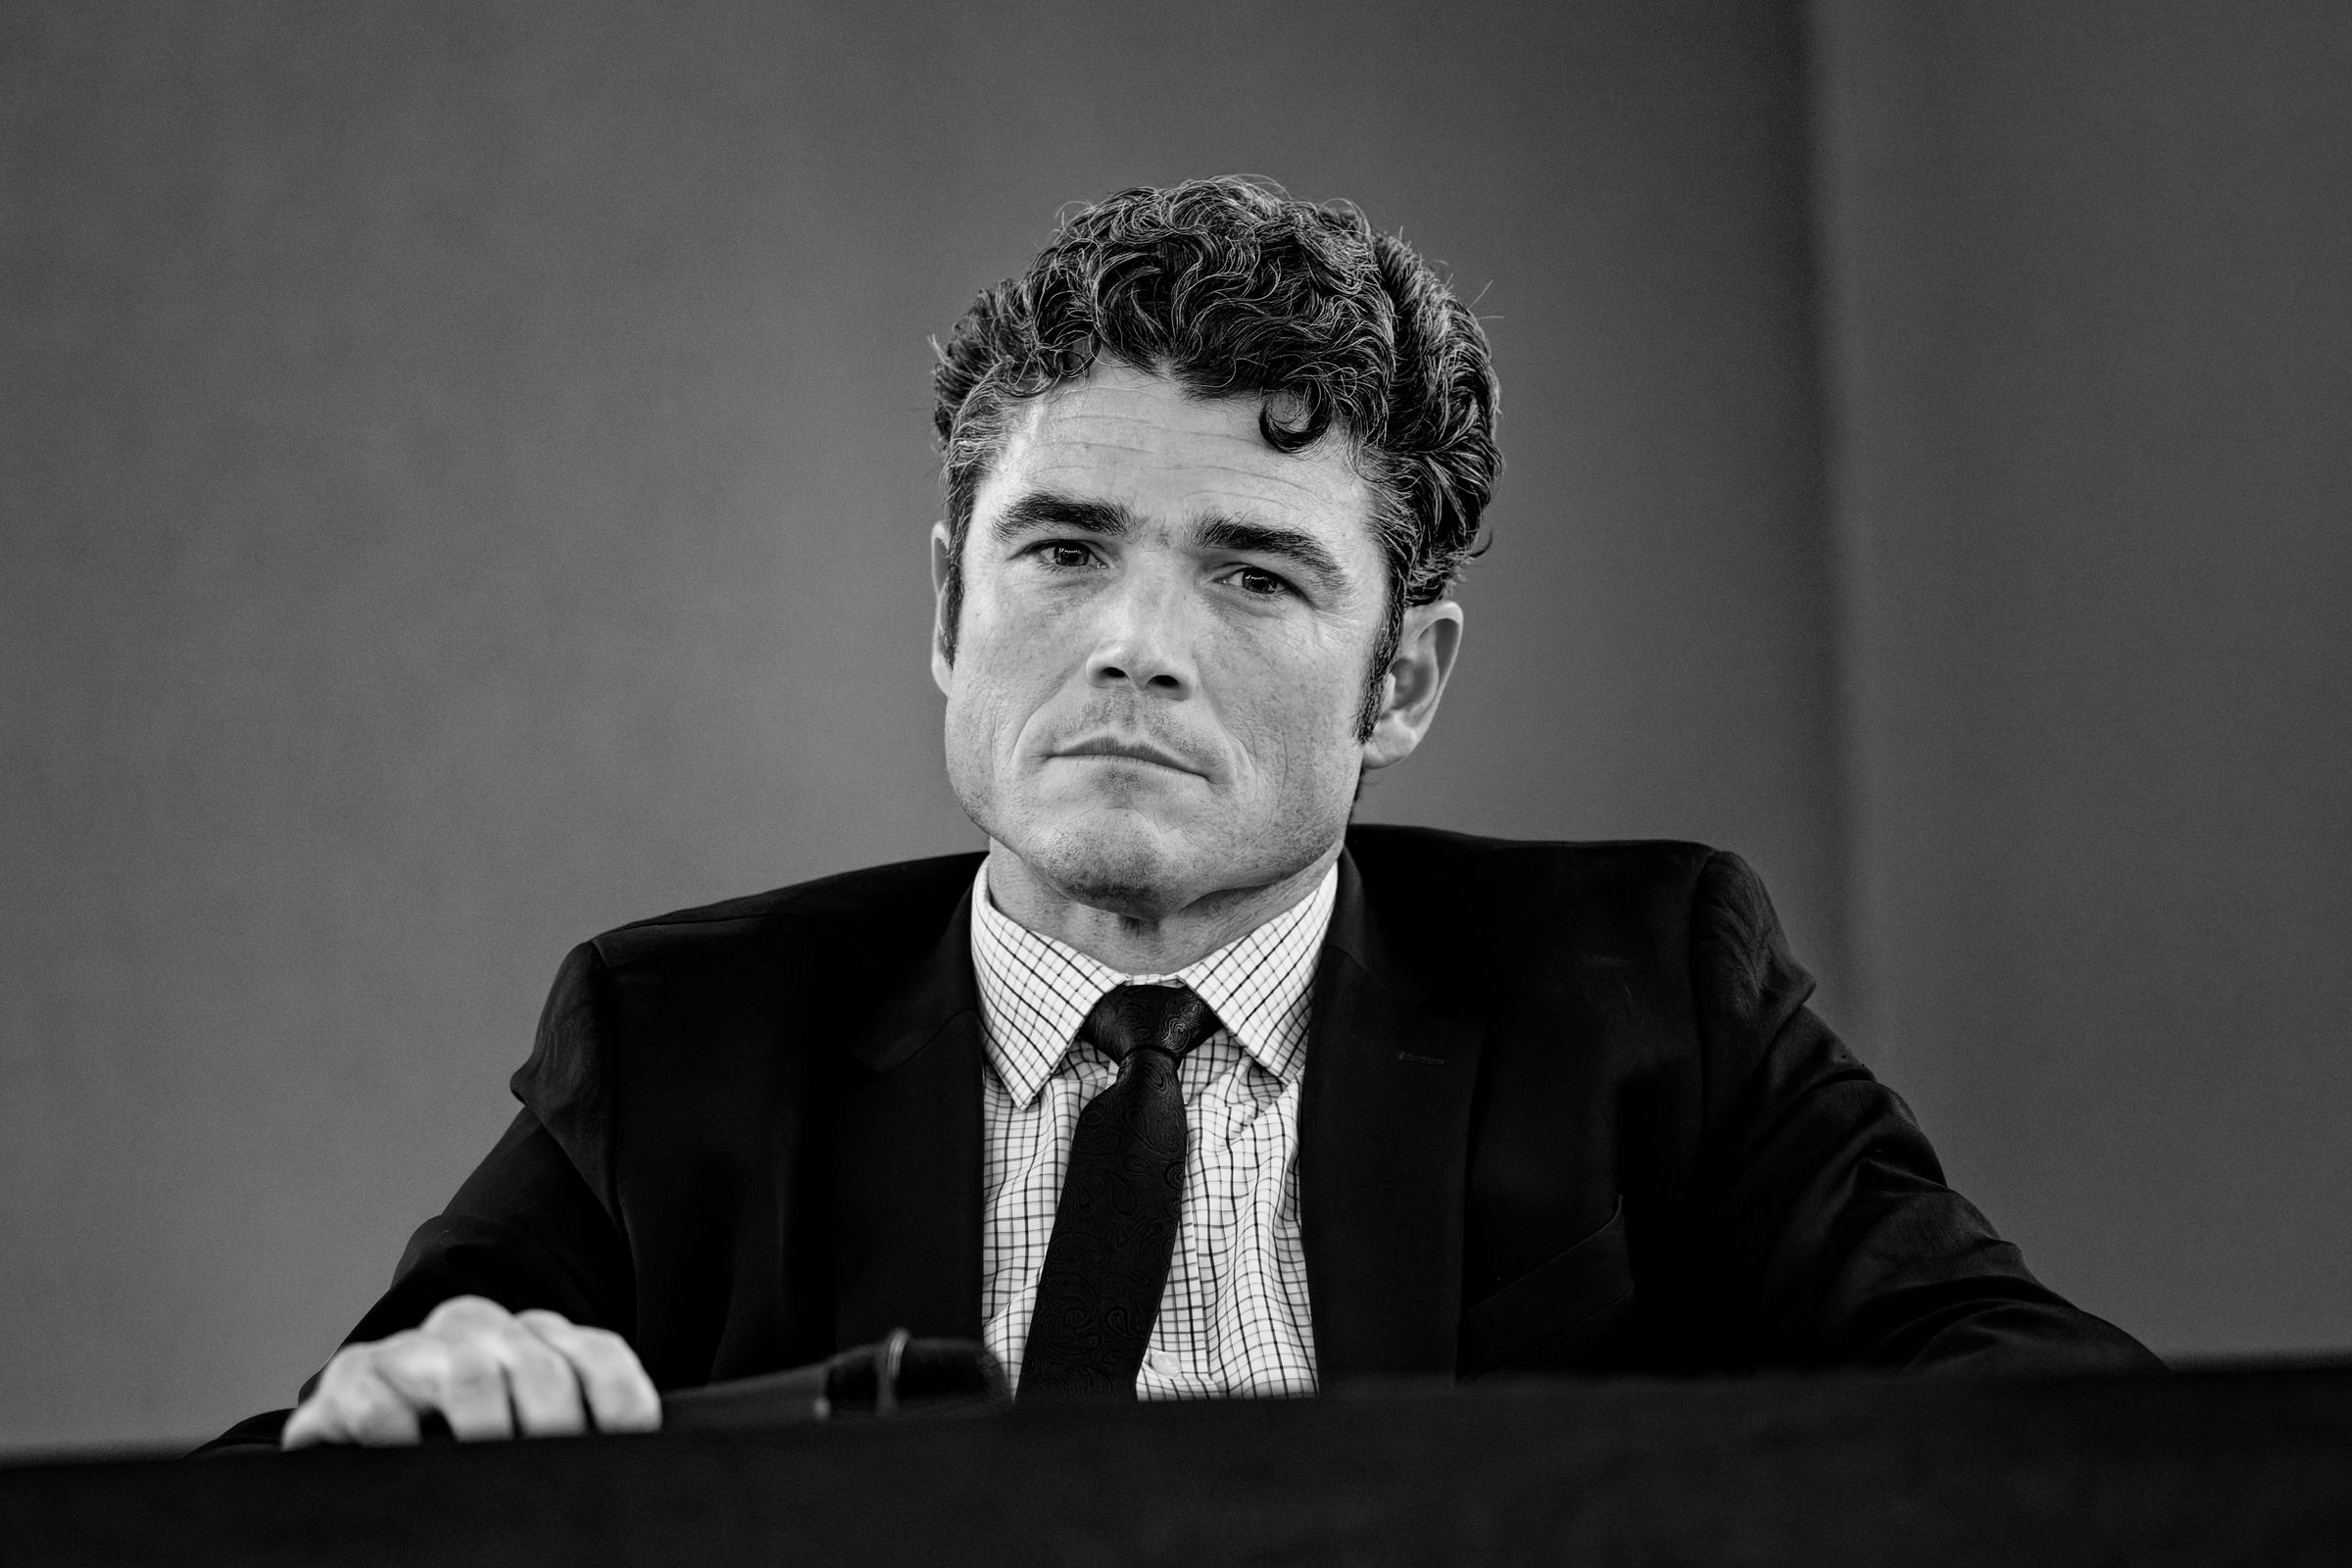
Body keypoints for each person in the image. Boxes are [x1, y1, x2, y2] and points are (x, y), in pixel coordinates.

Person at [214, 176, 2155, 1452]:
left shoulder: (1646, 999)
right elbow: (285, 1487)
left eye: (1254, 572)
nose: (1133, 642)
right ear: (948, 612)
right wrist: (385, 1442)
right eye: (1064, 547)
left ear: (1404, 680)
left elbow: (2080, 1446)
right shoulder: (680, 1044)